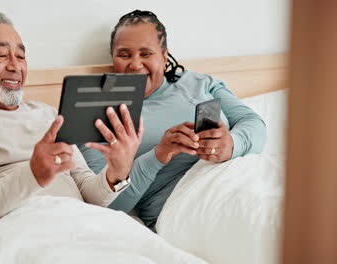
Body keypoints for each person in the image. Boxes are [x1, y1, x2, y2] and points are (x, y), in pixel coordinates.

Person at [0, 11, 142, 233]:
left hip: (78, 225)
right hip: (18, 233)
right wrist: (32, 175)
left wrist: (117, 172)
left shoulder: (48, 115)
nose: (15, 66)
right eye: (1, 55)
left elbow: (88, 192)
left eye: (20, 56)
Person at [79, 10, 267, 227]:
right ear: (113, 58)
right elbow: (107, 204)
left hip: (241, 178)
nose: (135, 64)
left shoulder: (198, 83)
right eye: (124, 55)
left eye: (146, 54)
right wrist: (159, 155)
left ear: (164, 56)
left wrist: (231, 144)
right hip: (184, 208)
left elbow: (253, 123)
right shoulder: (96, 112)